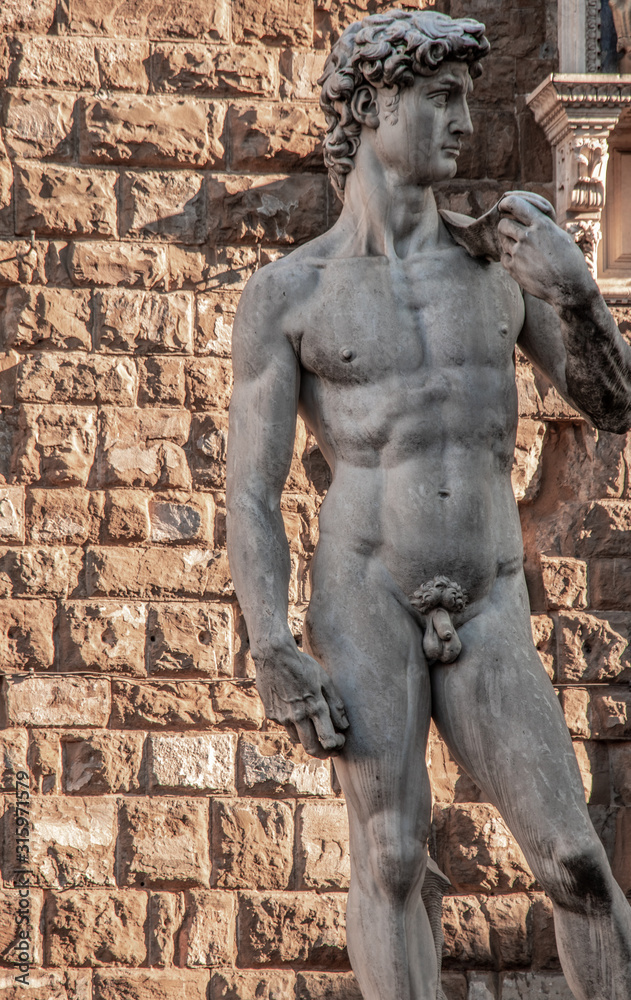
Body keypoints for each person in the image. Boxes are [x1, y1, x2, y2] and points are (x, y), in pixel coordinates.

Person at [226, 10, 631, 999]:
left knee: (576, 868)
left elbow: (613, 401)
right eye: (438, 98)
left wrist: (577, 297)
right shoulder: (291, 293)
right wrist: (272, 645)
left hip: (490, 602)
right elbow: (252, 487)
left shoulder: (501, 256)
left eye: (462, 96)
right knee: (394, 855)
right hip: (365, 594)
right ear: (368, 106)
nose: (461, 121)